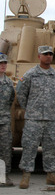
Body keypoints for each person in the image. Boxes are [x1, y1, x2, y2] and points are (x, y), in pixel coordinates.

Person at [17, 46, 55, 189]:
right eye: (45, 54)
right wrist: (31, 108)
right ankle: (26, 176)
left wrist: (49, 108)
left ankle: (51, 175)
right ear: (39, 56)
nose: (48, 56)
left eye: (50, 54)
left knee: (51, 148)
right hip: (34, 118)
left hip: (51, 118)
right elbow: (21, 93)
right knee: (30, 147)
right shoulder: (30, 75)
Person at [0, 54, 15, 187]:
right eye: (0, 63)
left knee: (5, 148)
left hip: (4, 120)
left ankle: (4, 175)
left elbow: (11, 100)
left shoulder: (9, 82)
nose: (3, 65)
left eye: (4, 63)